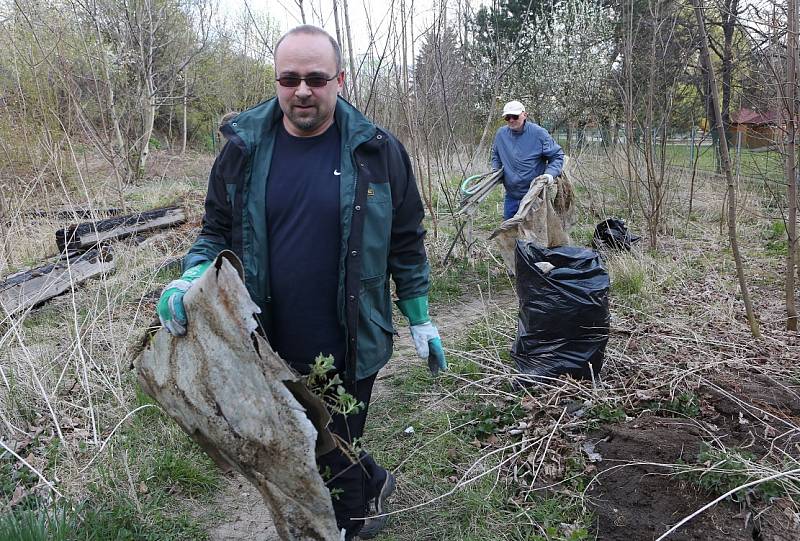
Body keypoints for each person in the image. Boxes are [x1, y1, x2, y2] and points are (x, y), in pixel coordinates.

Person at [156, 25, 447, 540]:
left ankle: (351, 524)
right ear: (276, 81)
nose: (302, 90)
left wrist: (420, 318)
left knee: (332, 448)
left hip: (353, 337)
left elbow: (406, 239)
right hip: (264, 340)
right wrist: (190, 276)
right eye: (289, 79)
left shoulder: (377, 152)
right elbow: (215, 230)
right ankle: (372, 481)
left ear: (340, 79)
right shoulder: (242, 150)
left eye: (315, 78)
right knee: (293, 443)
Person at [491, 100, 565, 219]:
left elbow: (557, 156)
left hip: (534, 195)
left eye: (515, 116)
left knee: (531, 233)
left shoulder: (539, 133)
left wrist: (549, 175)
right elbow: (495, 155)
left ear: (524, 115)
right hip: (511, 195)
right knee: (509, 230)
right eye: (507, 117)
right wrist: (496, 170)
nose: (511, 120)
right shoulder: (501, 135)